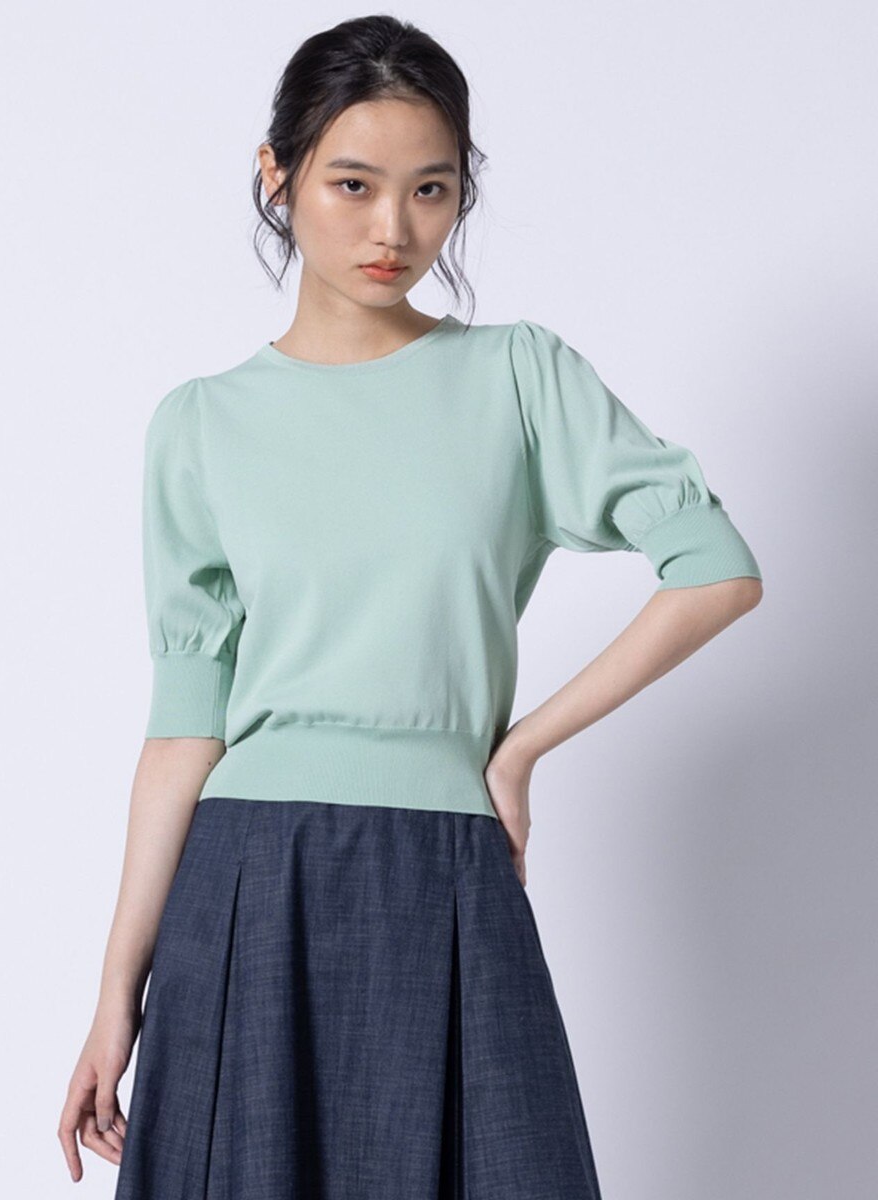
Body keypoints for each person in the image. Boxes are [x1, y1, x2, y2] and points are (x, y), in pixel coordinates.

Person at [58, 15, 764, 1199]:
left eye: (430, 189)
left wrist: (519, 750)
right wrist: (112, 1001)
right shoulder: (200, 424)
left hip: (445, 862)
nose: (393, 229)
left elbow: (714, 569)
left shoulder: (516, 376)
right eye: (353, 184)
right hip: (246, 883)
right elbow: (183, 729)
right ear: (276, 174)